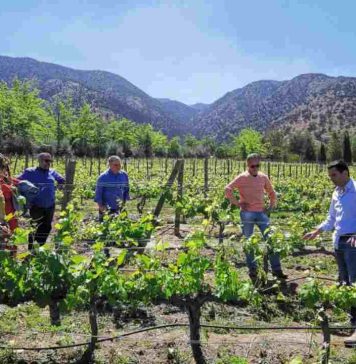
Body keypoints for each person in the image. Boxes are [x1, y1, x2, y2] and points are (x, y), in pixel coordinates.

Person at [303, 160, 356, 346]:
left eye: (334, 175)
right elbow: (331, 218)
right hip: (339, 241)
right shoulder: (336, 193)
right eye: (330, 176)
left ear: (345, 173)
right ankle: (353, 323)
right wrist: (317, 230)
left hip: (353, 241)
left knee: (355, 283)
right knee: (346, 284)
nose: (331, 179)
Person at [225, 153, 287, 281]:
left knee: (271, 240)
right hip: (247, 214)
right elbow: (228, 189)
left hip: (261, 213)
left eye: (257, 165)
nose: (255, 168)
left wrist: (270, 206)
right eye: (252, 166)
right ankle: (252, 269)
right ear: (247, 165)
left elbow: (272, 193)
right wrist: (237, 203)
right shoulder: (242, 177)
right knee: (249, 242)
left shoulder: (263, 177)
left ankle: (277, 270)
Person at [18, 153, 65, 250]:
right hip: (36, 206)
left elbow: (61, 180)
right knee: (35, 228)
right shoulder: (30, 172)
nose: (48, 163)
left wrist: (60, 184)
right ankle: (31, 251)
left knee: (47, 227)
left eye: (50, 161)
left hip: (50, 206)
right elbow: (17, 181)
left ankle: (40, 249)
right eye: (46, 161)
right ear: (39, 161)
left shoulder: (52, 172)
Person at [95, 156, 130, 221]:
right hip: (106, 208)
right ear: (110, 165)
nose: (118, 166)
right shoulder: (103, 177)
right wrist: (101, 206)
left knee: (121, 228)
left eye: (119, 164)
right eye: (116, 165)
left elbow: (126, 190)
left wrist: (124, 203)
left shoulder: (124, 175)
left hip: (120, 207)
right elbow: (98, 193)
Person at [0, 154, 19, 255]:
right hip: (3, 217)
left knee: (12, 238)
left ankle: (11, 258)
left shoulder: (7, 179)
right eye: (3, 167)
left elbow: (14, 182)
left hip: (11, 216)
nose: (5, 170)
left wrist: (22, 184)